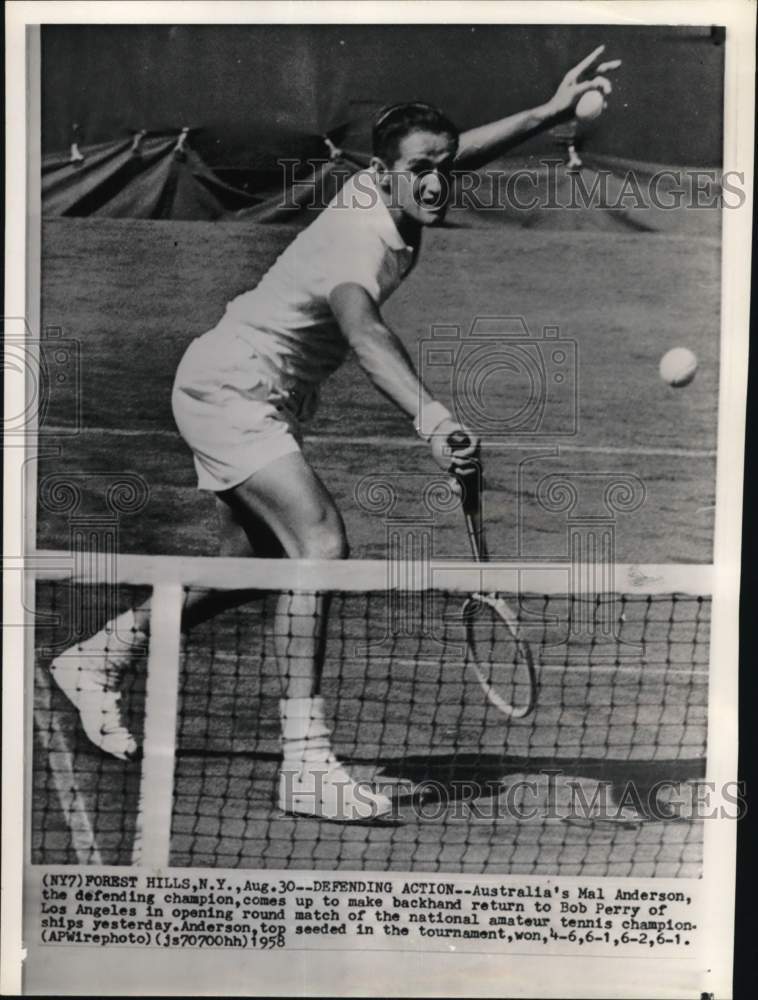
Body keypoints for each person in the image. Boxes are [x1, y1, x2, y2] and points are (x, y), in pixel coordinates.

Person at [50, 47, 620, 822]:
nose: (434, 182)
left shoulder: (394, 178)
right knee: (320, 545)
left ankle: (102, 654)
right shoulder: (363, 243)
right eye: (418, 170)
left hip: (248, 382)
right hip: (231, 389)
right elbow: (366, 333)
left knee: (245, 568)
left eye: (441, 169)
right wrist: (434, 419)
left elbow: (451, 152)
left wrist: (547, 114)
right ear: (384, 174)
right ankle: (307, 765)